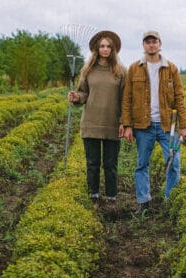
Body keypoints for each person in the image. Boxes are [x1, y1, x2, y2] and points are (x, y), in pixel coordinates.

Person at [122, 30, 186, 215]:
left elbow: (179, 98)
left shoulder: (171, 68)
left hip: (168, 126)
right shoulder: (134, 69)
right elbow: (127, 98)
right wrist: (127, 125)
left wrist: (184, 126)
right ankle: (144, 202)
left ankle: (170, 198)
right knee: (142, 164)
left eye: (154, 41)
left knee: (174, 162)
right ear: (143, 45)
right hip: (144, 126)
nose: (151, 45)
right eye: (148, 42)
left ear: (160, 44)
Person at [68, 30, 126, 202]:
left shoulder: (121, 71)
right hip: (91, 123)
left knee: (110, 165)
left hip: (112, 123)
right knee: (92, 164)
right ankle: (92, 195)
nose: (105, 49)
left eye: (108, 46)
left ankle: (111, 197)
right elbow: (83, 93)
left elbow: (125, 99)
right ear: (96, 48)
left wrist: (124, 122)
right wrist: (76, 97)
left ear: (113, 49)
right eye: (102, 46)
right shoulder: (88, 70)